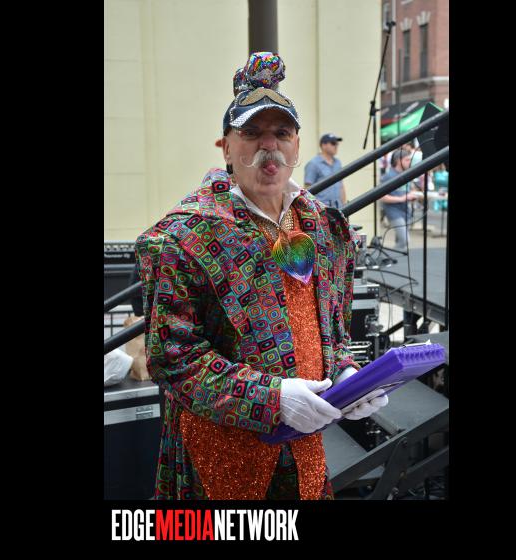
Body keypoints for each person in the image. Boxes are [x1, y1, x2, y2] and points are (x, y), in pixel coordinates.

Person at [135, 52, 388, 500]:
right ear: (226, 148)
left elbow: (329, 331)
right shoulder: (184, 236)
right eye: (251, 133)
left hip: (304, 454)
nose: (268, 146)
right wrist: (270, 398)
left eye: (281, 133)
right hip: (221, 461)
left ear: (297, 146)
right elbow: (173, 359)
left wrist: (347, 375)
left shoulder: (323, 227)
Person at [379, 148, 420, 252]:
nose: (409, 162)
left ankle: (395, 258)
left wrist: (411, 195)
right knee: (404, 240)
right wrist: (402, 198)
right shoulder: (388, 176)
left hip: (405, 210)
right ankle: (391, 255)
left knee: (400, 242)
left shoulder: (406, 174)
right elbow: (382, 197)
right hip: (394, 211)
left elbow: (407, 191)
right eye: (407, 160)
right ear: (398, 160)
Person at [303, 133, 346, 208]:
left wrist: (344, 205)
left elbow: (341, 185)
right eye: (333, 143)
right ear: (323, 145)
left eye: (337, 144)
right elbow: (307, 189)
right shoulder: (313, 164)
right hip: (321, 209)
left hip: (338, 207)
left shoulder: (338, 163)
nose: (336, 146)